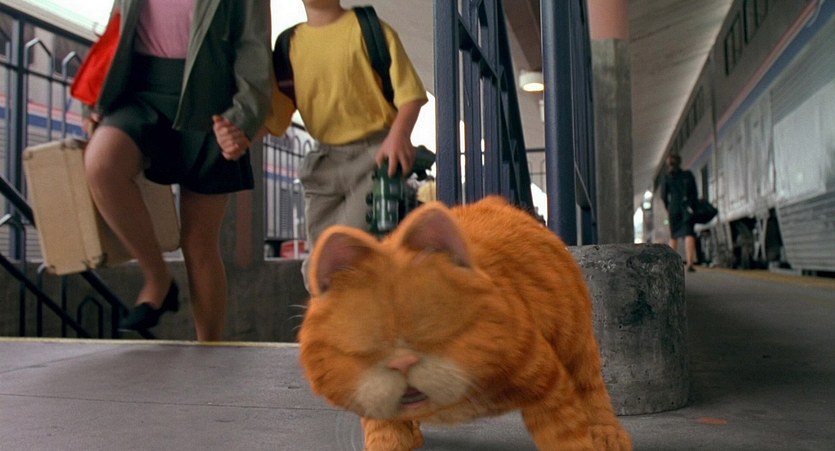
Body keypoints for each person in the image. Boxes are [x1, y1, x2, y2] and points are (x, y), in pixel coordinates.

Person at [83, 0, 272, 340]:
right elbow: (116, 29)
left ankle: (210, 347)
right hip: (139, 92)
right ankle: (157, 278)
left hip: (210, 96)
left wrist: (242, 120)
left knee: (199, 242)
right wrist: (97, 99)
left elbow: (253, 46)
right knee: (101, 164)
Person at [264, 0, 428, 284]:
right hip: (324, 161)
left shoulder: (370, 30)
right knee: (319, 261)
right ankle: (330, 305)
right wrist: (236, 134)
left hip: (374, 156)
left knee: (352, 249)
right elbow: (274, 119)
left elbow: (410, 95)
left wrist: (398, 135)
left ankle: (358, 302)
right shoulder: (288, 45)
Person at [661, 153, 699, 272]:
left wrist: (668, 207)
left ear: (668, 165)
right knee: (689, 234)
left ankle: (670, 265)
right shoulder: (688, 175)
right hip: (687, 208)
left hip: (673, 209)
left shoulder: (666, 178)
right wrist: (692, 206)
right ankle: (690, 264)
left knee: (674, 236)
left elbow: (663, 196)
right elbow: (694, 193)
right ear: (679, 163)